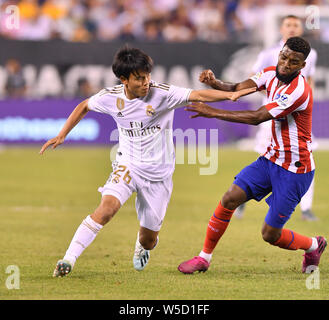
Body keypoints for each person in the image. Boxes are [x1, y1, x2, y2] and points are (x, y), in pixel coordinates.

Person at [39, 46, 254, 277]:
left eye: (148, 76)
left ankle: (143, 245)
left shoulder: (162, 94)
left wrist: (230, 95)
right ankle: (68, 259)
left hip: (159, 175)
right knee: (106, 210)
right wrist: (63, 134)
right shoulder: (110, 98)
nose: (146, 82)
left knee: (149, 239)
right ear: (124, 80)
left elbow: (198, 94)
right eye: (139, 78)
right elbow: (84, 105)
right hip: (128, 165)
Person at [178, 37, 326, 275]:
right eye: (284, 57)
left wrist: (212, 112)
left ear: (303, 66)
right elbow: (237, 88)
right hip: (269, 160)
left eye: (293, 61)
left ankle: (313, 245)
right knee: (229, 198)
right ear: (280, 53)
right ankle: (203, 258)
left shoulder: (298, 90)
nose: (286, 64)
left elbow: (258, 116)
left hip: (295, 170)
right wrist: (215, 82)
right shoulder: (269, 73)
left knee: (270, 234)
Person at [235, 15, 318, 221]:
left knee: (305, 157)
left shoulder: (311, 54)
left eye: (295, 25)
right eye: (288, 25)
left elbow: (310, 79)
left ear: (301, 29)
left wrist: (301, 103)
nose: (292, 28)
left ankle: (306, 208)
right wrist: (277, 100)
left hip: (295, 116)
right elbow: (255, 79)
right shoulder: (268, 54)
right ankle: (242, 201)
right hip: (271, 115)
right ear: (281, 28)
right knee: (264, 159)